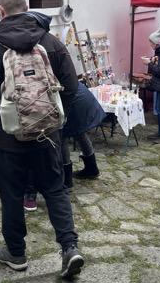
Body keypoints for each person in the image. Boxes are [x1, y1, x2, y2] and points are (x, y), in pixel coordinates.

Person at [0, 0, 84, 279]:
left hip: (8, 139)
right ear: (27, 7)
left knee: (12, 195)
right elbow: (71, 87)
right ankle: (69, 248)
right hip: (47, 135)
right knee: (55, 189)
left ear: (0, 11)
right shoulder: (51, 43)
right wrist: (54, 118)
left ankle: (16, 253)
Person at [24, 81, 105, 211]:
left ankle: (67, 181)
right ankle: (91, 168)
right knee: (80, 131)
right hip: (82, 97)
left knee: (63, 136)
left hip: (71, 100)